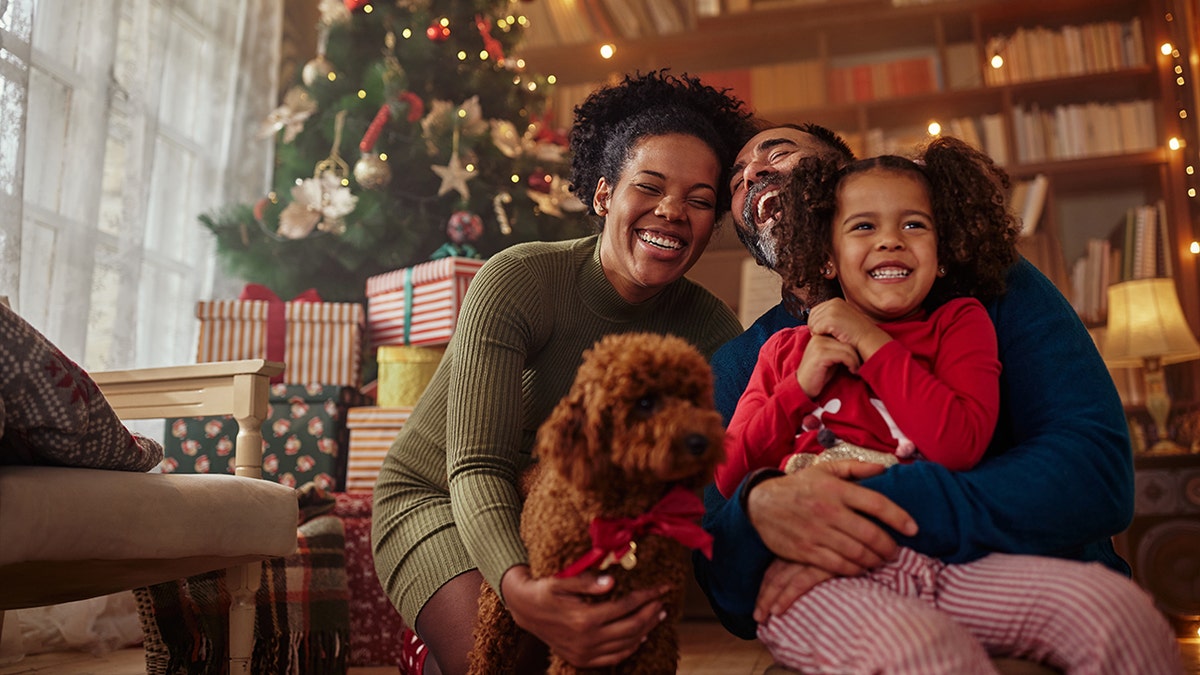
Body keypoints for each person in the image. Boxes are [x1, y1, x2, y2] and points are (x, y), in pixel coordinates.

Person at [693, 124, 1184, 673]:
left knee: (1120, 618)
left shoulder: (984, 289)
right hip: (849, 602)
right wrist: (759, 512)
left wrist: (875, 506)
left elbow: (1094, 475)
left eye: (777, 154)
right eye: (735, 180)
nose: (752, 174)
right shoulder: (747, 359)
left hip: (1013, 575)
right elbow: (723, 575)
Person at [371, 70, 755, 675]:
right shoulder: (517, 280)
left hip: (580, 516)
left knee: (608, 649)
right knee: (511, 660)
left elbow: (708, 480)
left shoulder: (713, 334)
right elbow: (477, 464)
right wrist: (519, 589)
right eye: (649, 187)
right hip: (440, 497)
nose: (673, 212)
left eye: (700, 200)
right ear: (604, 195)